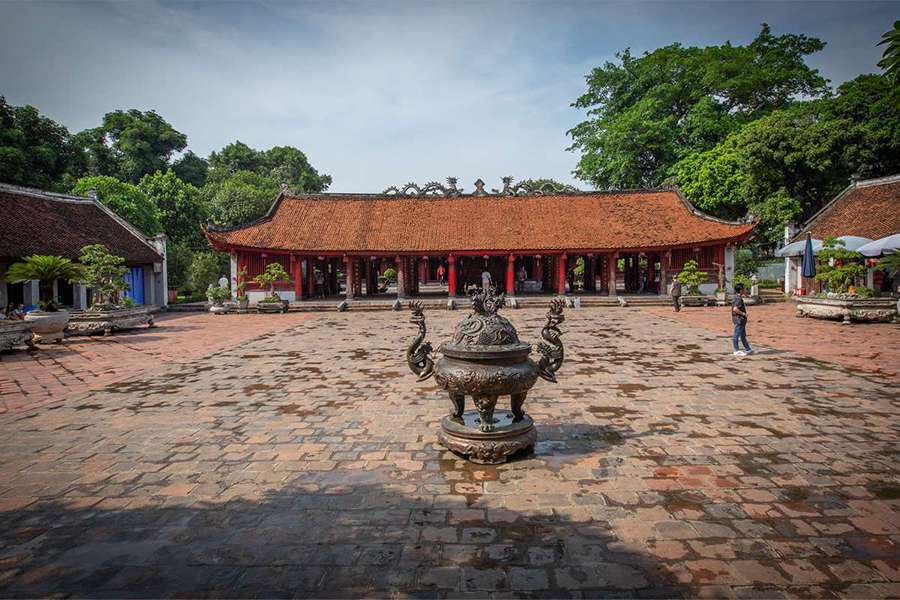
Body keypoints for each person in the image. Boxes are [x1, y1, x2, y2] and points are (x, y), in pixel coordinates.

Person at [731, 283, 754, 356]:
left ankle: (748, 349)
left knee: (743, 335)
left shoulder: (737, 297)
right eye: (743, 289)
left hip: (741, 319)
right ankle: (736, 350)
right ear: (740, 290)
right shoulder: (738, 299)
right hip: (739, 319)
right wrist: (743, 314)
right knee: (736, 335)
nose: (745, 290)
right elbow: (735, 309)